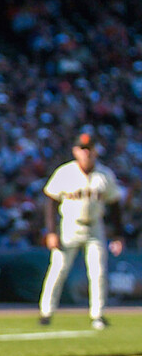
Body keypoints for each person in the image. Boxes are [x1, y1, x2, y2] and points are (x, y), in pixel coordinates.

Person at [38, 132, 126, 330]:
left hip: (95, 227)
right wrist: (51, 231)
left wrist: (118, 235)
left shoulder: (105, 175)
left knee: (98, 272)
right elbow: (51, 202)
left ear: (95, 151)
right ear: (75, 151)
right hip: (70, 226)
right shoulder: (65, 172)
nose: (86, 152)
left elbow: (115, 206)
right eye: (82, 149)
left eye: (89, 149)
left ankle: (98, 315)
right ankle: (46, 312)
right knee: (58, 269)